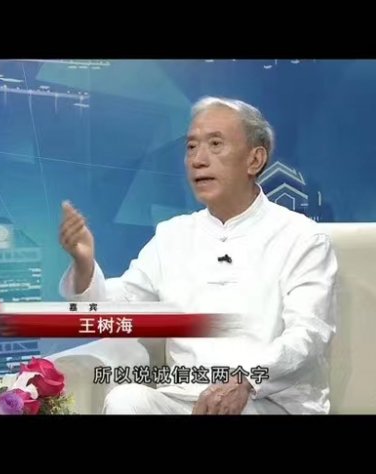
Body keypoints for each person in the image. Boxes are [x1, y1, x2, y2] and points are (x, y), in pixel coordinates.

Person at [59, 96, 338, 415]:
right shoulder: (173, 235)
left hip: (268, 400)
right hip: (185, 396)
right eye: (191, 147)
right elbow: (118, 308)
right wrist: (84, 265)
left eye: (215, 144)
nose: (198, 160)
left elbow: (308, 335)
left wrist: (246, 380)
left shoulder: (302, 237)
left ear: (255, 159)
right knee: (126, 400)